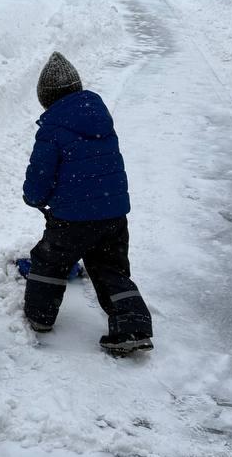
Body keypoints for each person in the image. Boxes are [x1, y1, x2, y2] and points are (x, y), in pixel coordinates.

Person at [21, 52, 153, 355]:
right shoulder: (101, 120)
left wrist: (34, 198)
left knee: (48, 261)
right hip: (113, 215)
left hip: (72, 219)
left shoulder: (52, 129)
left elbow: (40, 175)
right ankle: (132, 326)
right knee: (110, 269)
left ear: (46, 98)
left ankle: (39, 316)